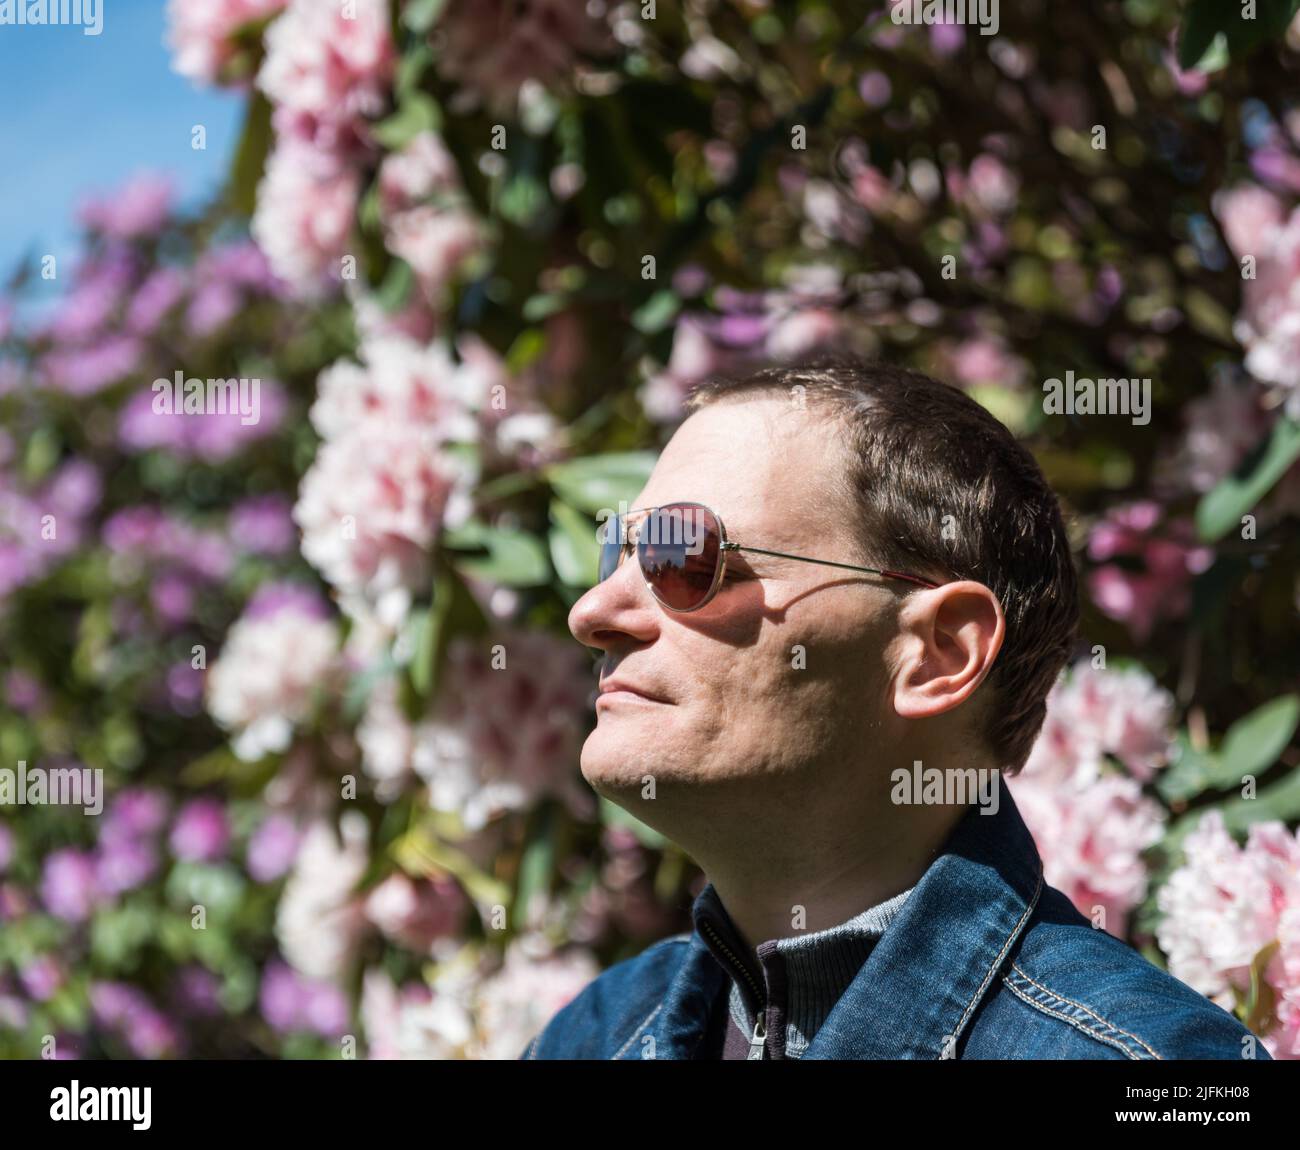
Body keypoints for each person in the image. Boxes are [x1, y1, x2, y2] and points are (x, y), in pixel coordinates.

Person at [521, 356, 1271, 1061]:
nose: (592, 612)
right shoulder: (594, 1035)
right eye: (615, 552)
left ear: (938, 652)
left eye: (681, 556)